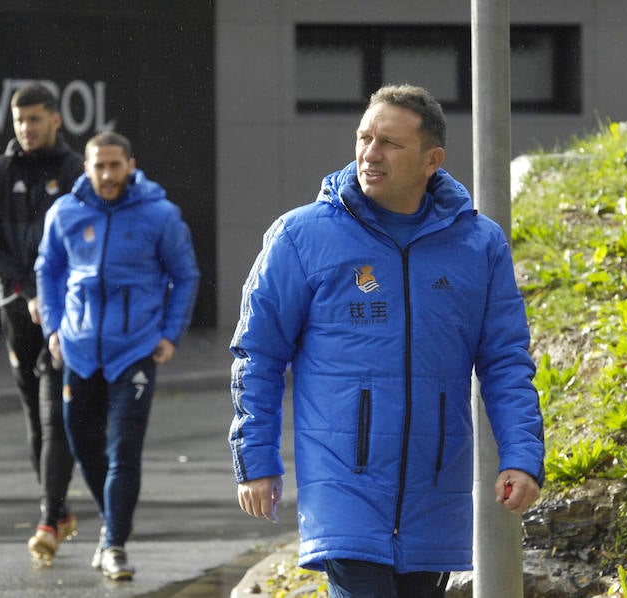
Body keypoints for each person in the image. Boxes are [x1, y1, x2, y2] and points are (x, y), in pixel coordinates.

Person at [229, 84, 545, 598]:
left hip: (434, 487)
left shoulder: (479, 243)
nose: (369, 154)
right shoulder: (300, 237)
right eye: (364, 137)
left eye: (390, 144)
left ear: (431, 160)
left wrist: (521, 456)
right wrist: (255, 460)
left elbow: (506, 361)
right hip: (342, 487)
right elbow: (258, 356)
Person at [35, 131, 200, 580]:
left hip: (135, 350)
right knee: (84, 444)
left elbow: (185, 275)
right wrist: (53, 327)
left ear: (130, 164)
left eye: (115, 165)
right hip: (79, 349)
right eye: (98, 166)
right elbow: (47, 269)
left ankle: (115, 545)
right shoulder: (65, 212)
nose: (107, 175)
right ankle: (113, 518)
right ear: (85, 168)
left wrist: (169, 335)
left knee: (124, 449)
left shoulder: (160, 215)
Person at [0, 82, 83, 565]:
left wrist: (53, 297)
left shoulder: (76, 171)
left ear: (55, 120)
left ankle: (48, 515)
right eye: (20, 121)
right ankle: (56, 509)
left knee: (56, 413)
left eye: (35, 119)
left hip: (65, 314)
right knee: (33, 417)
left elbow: (80, 246)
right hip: (17, 310)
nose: (27, 129)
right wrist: (26, 292)